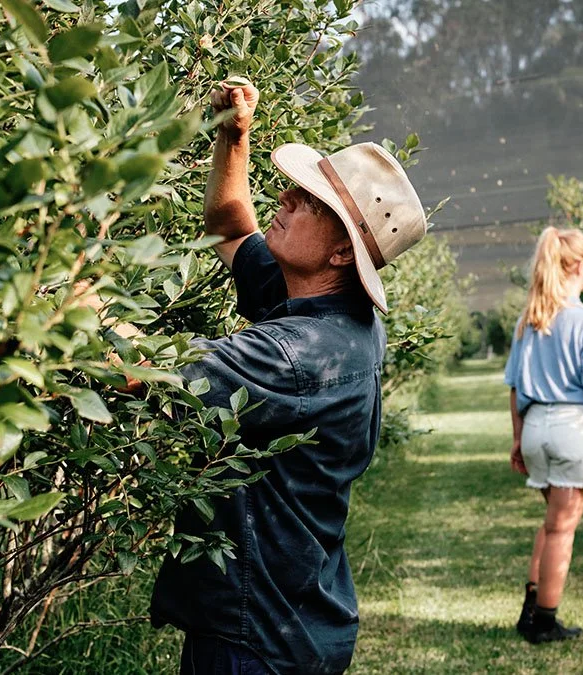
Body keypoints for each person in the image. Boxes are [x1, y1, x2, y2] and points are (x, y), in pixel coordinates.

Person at [147, 80, 428, 674]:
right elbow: (229, 226)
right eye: (295, 189)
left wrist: (66, 301)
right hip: (298, 621)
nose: (286, 199)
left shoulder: (297, 355)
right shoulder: (329, 307)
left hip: (256, 642)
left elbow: (143, 372)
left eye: (308, 202)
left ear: (342, 253)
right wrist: (234, 135)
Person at [504, 226, 583, 644]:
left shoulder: (529, 320)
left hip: (535, 428)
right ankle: (546, 623)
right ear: (577, 266)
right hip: (572, 429)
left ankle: (531, 612)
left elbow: (515, 389)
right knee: (561, 530)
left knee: (551, 525)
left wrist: (518, 440)